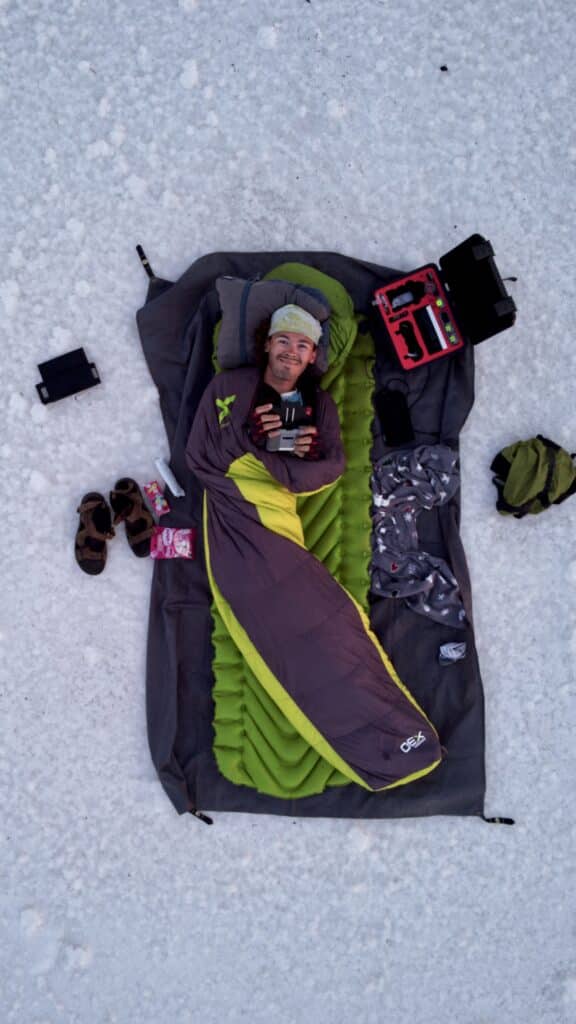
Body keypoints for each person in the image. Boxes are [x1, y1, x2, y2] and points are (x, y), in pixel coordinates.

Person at [184, 299, 442, 792]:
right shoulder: (229, 387)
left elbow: (330, 467)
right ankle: (389, 747)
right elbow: (201, 456)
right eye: (283, 340)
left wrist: (283, 458)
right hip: (240, 521)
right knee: (299, 620)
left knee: (334, 622)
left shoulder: (316, 402)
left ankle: (395, 743)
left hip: (276, 514)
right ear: (266, 344)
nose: (290, 351)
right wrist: (258, 450)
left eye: (302, 345)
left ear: (313, 356)